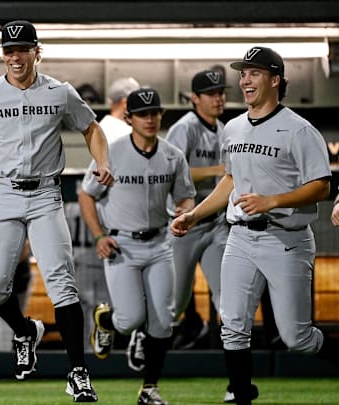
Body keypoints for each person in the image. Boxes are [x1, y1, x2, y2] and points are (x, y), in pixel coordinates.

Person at [0, 20, 112, 403]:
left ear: (36, 52)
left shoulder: (60, 92)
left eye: (22, 49)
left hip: (46, 195)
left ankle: (78, 373)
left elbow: (92, 128)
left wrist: (102, 161)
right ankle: (25, 330)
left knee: (63, 283)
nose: (15, 56)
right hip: (2, 196)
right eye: (8, 50)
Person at [171, 46, 338, 405]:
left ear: (275, 79)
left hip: (286, 239)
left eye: (254, 73)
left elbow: (322, 185)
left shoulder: (299, 130)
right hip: (241, 237)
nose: (245, 80)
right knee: (232, 324)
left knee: (298, 339)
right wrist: (194, 214)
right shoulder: (233, 127)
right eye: (243, 73)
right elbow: (231, 180)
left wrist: (273, 200)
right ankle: (241, 394)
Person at [88, 88, 195, 405]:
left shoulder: (173, 155)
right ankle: (106, 321)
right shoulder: (111, 152)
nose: (150, 119)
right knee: (131, 319)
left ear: (161, 115)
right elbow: (86, 195)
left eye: (155, 112)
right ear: (129, 117)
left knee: (164, 319)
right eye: (143, 114)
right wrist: (98, 236)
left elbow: (186, 195)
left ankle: (149, 388)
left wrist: (184, 210)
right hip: (122, 244)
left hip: (160, 243)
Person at [72, 76, 140, 355]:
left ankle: (110, 347)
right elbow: (90, 189)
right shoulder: (114, 131)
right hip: (110, 227)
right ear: (124, 103)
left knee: (108, 300)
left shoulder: (110, 129)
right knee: (105, 299)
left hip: (111, 226)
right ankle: (99, 355)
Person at [165, 69, 229, 351]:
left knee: (227, 299)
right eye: (212, 94)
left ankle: (235, 370)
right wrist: (218, 170)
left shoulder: (225, 129)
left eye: (221, 93)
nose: (219, 99)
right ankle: (143, 339)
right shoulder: (185, 127)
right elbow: (172, 172)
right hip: (184, 226)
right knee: (174, 303)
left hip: (216, 224)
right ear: (195, 98)